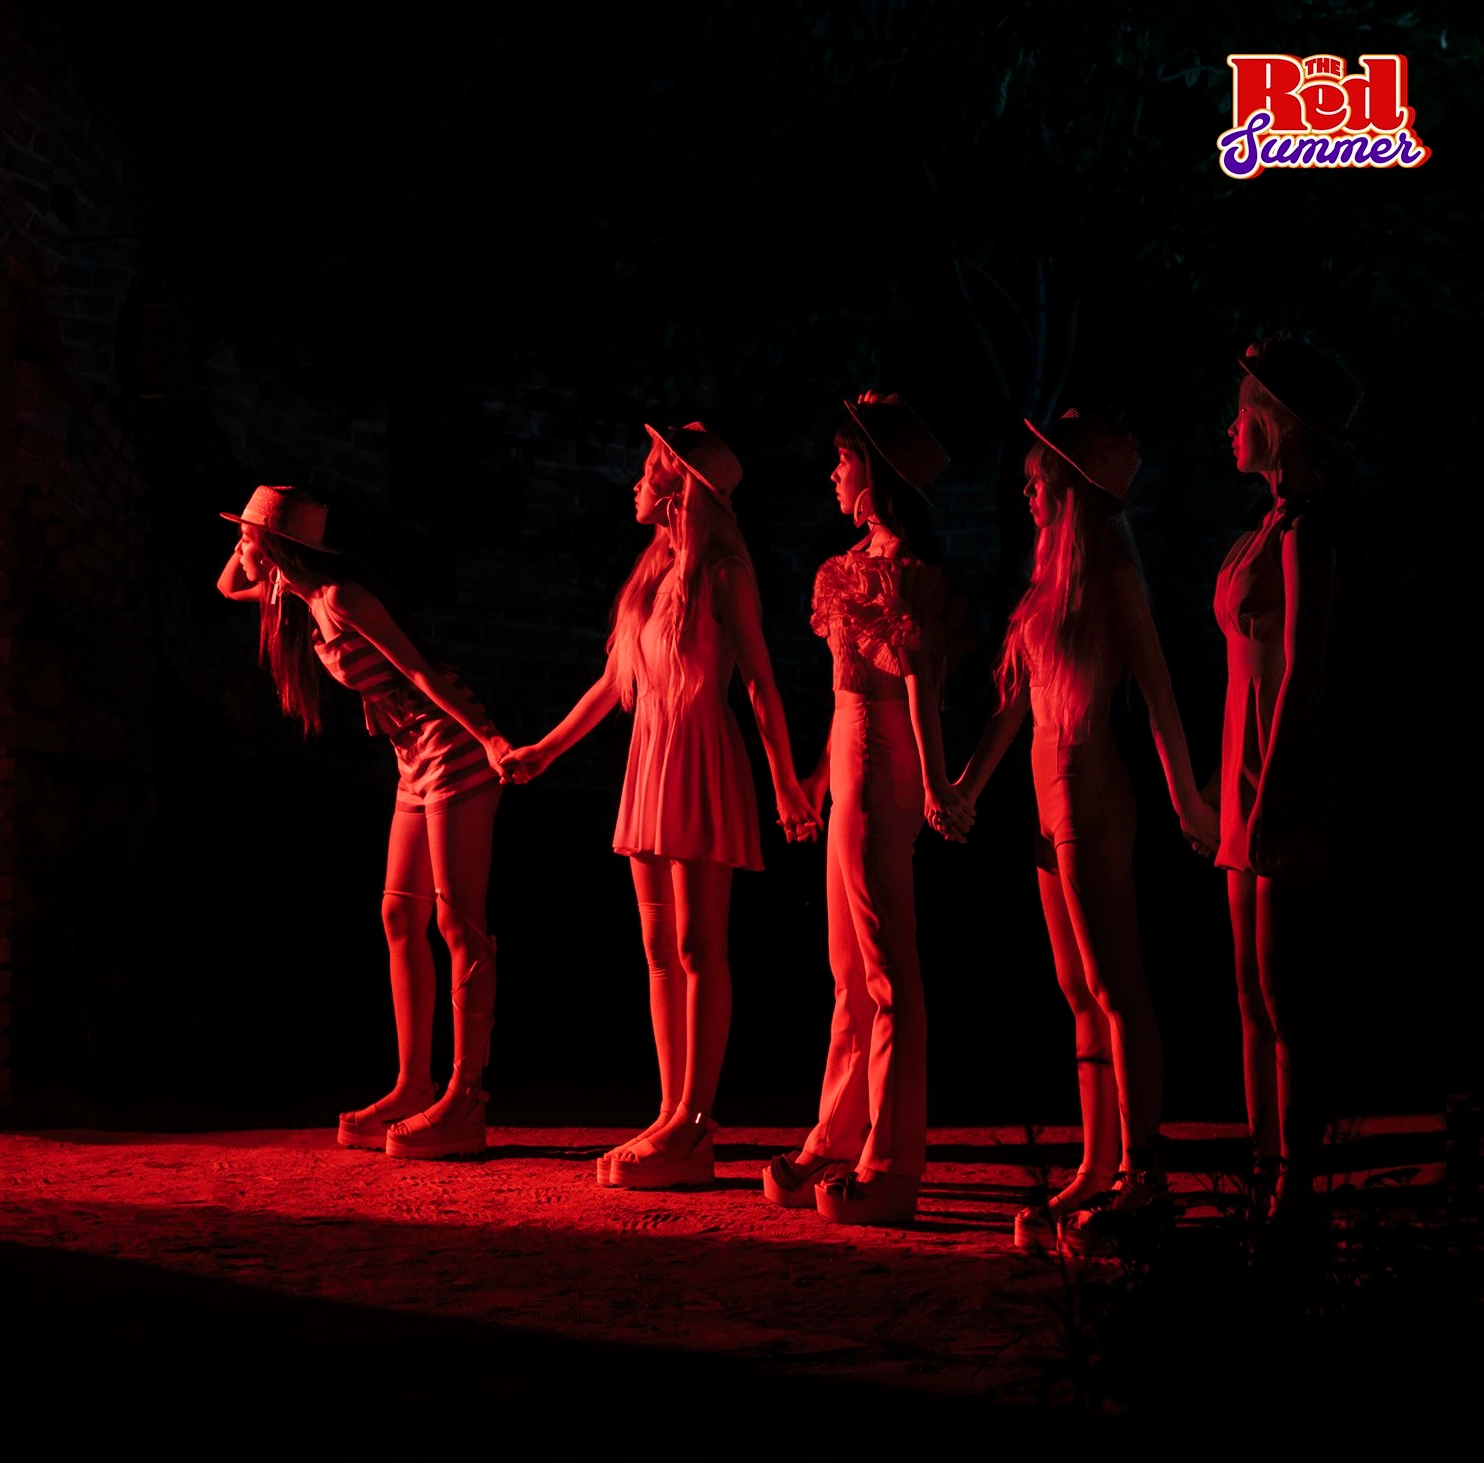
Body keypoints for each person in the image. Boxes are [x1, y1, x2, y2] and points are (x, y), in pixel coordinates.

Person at [502, 425, 816, 1189]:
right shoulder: (652, 571)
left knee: (701, 944)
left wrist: (783, 782)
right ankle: (671, 1110)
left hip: (701, 753)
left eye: (650, 471)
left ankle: (695, 1120)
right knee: (658, 946)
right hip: (652, 754)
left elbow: (760, 683)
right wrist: (545, 750)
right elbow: (615, 682)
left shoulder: (723, 571)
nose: (637, 483)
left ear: (682, 489)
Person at [953, 412, 1217, 1252]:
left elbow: (1160, 691)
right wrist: (966, 785)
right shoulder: (1051, 578)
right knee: (1078, 991)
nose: (1027, 494)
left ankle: (1143, 1172)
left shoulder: (1109, 572)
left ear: (1069, 486)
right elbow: (1015, 700)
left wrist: (1188, 801)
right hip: (1047, 795)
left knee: (1115, 986)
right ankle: (1099, 1163)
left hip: (1089, 791)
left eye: (1038, 481)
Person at [217, 485, 513, 1159]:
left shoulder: (342, 600)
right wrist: (253, 536)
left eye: (246, 538)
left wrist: (491, 739)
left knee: (458, 921)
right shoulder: (291, 599)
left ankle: (466, 1099)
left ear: (275, 548)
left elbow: (420, 669)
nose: (238, 548)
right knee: (399, 913)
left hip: (451, 741)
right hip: (411, 753)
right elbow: (226, 584)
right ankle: (414, 1085)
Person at [762, 394, 970, 1226]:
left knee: (887, 971)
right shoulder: (852, 565)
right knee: (848, 969)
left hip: (886, 771)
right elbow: (845, 695)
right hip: (853, 768)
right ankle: (836, 1133)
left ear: (875, 473)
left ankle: (891, 1160)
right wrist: (818, 776)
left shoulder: (906, 576)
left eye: (844, 459)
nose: (833, 472)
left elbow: (918, 684)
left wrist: (937, 781)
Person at [1218, 337, 1355, 1221]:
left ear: (1279, 423)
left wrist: (1271, 791)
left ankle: (1298, 1186)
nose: (1230, 428)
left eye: (1242, 412)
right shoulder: (1263, 528)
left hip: (1284, 775)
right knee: (1247, 992)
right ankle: (1265, 1166)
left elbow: (1303, 666)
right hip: (1246, 771)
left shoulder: (1308, 533)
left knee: (1283, 992)